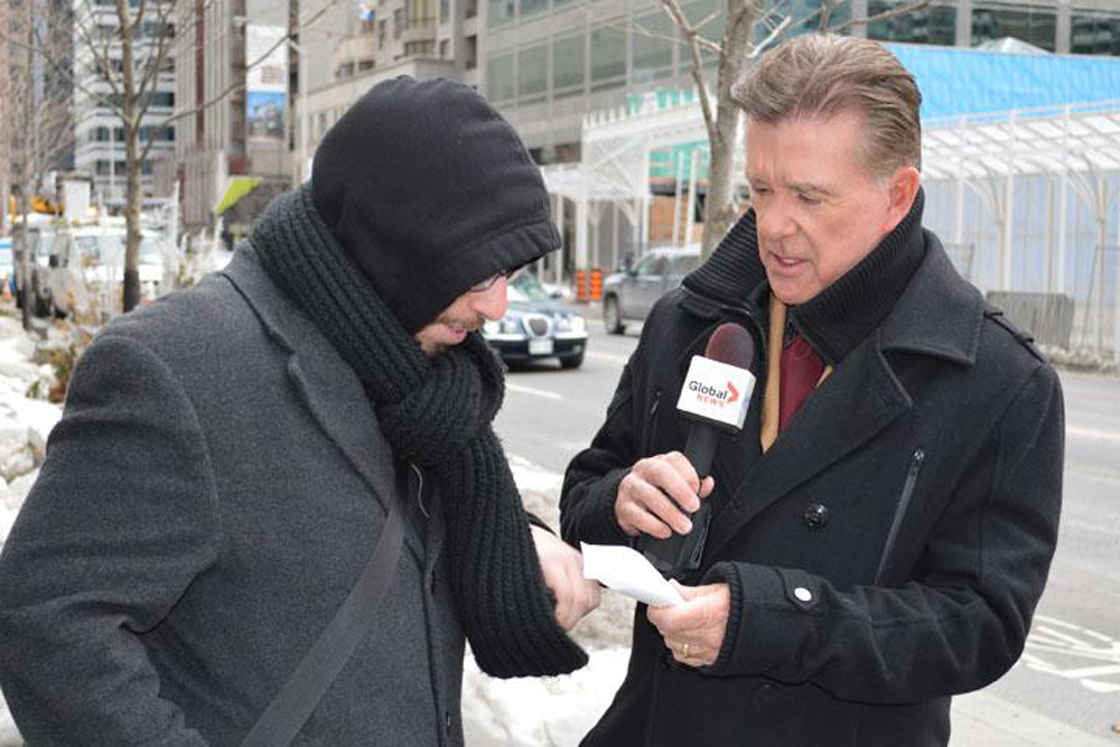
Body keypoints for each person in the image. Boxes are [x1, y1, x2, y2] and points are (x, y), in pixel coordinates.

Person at [0, 77, 599, 746]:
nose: (498, 308)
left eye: (510, 277)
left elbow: (387, 521)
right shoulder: (177, 368)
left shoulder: (420, 370)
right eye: (481, 273)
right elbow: (46, 621)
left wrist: (516, 535)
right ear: (397, 244)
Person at [561, 34, 1063, 747]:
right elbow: (583, 496)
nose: (773, 225)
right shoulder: (689, 320)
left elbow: (980, 625)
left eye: (809, 196)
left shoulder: (1000, 382)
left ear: (898, 195)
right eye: (760, 190)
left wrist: (775, 620)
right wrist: (620, 501)